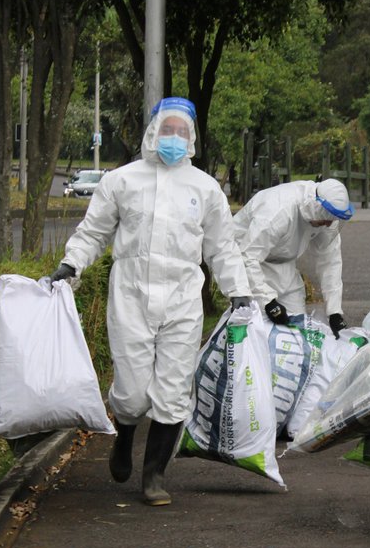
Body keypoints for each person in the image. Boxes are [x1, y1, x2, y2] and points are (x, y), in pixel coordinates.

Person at [47, 97, 252, 507]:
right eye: (167, 129)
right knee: (132, 392)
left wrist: (239, 290)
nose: (173, 137)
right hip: (131, 294)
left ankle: (154, 475)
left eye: (181, 131)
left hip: (182, 297)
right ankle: (124, 436)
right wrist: (71, 263)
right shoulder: (122, 181)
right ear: (153, 131)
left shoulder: (205, 189)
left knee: (173, 389)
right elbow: (94, 232)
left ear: (191, 138)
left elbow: (222, 247)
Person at [232, 178, 354, 334]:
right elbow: (248, 256)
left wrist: (334, 312)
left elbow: (330, 261)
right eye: (326, 220)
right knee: (257, 331)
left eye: (332, 220)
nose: (328, 224)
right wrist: (268, 301)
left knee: (298, 328)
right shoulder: (278, 210)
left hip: (285, 267)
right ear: (315, 207)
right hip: (248, 265)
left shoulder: (326, 216)